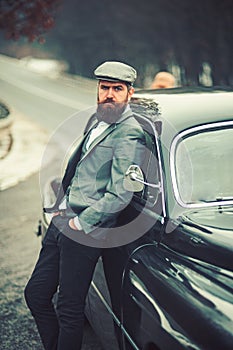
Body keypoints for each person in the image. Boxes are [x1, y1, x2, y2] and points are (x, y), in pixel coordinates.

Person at [24, 61, 146, 350]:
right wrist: (59, 208)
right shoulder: (97, 118)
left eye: (118, 89)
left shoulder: (128, 132)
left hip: (85, 230)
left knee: (69, 309)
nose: (109, 94)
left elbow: (120, 193)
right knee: (36, 295)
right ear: (98, 89)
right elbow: (78, 168)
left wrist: (82, 222)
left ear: (130, 93)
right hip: (63, 219)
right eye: (105, 88)